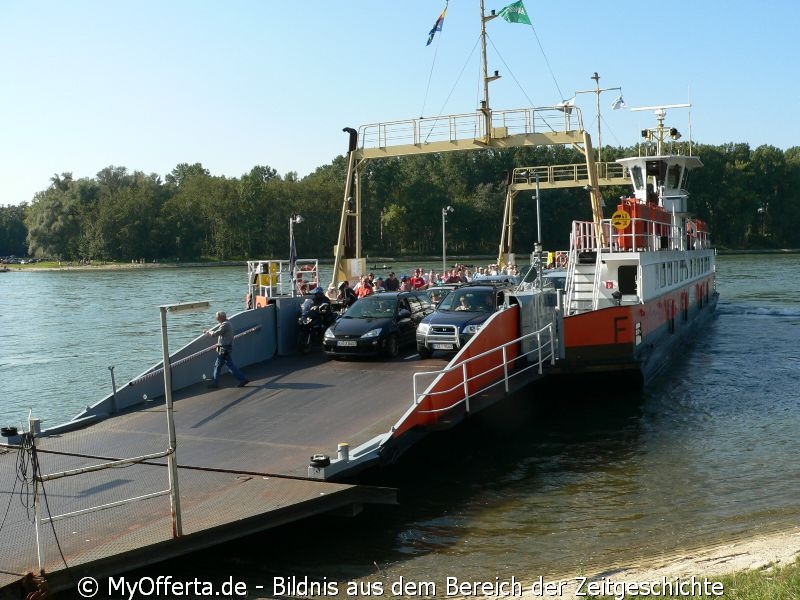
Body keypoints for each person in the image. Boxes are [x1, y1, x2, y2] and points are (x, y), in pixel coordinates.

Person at [204, 311, 249, 388]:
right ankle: (215, 383)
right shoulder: (228, 323)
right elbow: (223, 337)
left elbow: (215, 334)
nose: (217, 319)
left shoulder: (225, 325)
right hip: (224, 347)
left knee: (227, 365)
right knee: (219, 365)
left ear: (221, 318)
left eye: (217, 318)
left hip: (224, 348)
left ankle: (242, 379)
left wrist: (207, 332)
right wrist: (218, 345)